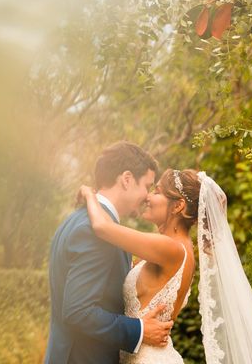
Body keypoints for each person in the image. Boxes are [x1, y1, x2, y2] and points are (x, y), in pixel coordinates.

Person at [80, 168, 252, 363]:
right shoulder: (177, 249)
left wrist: (90, 194)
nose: (148, 197)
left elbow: (102, 227)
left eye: (156, 191)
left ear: (178, 206)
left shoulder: (171, 248)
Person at [44, 141, 173, 364]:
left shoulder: (77, 220)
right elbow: (78, 311)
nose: (147, 195)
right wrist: (139, 330)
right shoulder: (94, 232)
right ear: (126, 179)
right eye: (147, 186)